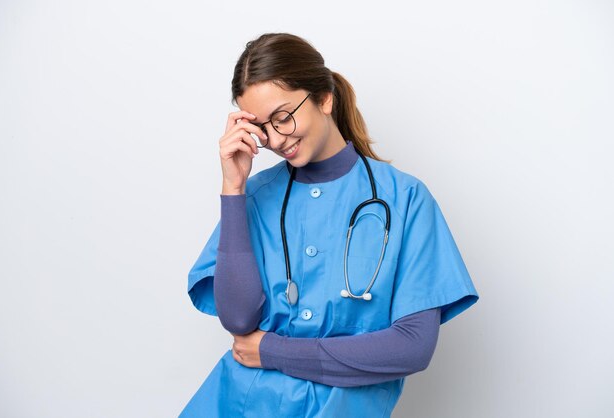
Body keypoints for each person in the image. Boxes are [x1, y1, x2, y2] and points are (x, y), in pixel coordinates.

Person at [179, 33, 479, 418]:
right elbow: (238, 322)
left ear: (324, 98)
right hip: (236, 405)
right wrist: (233, 189)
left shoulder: (405, 200)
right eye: (262, 128)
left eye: (283, 116)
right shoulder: (253, 198)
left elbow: (412, 347)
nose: (275, 138)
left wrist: (274, 351)